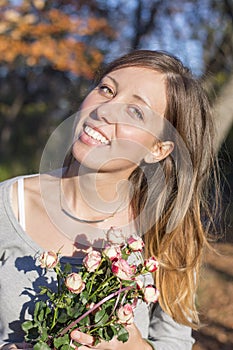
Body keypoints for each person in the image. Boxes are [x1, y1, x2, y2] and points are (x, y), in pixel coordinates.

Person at [0, 49, 218, 350]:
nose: (105, 110)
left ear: (158, 150)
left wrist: (135, 348)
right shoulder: (7, 207)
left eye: (136, 111)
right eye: (106, 89)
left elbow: (175, 340)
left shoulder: (164, 235)